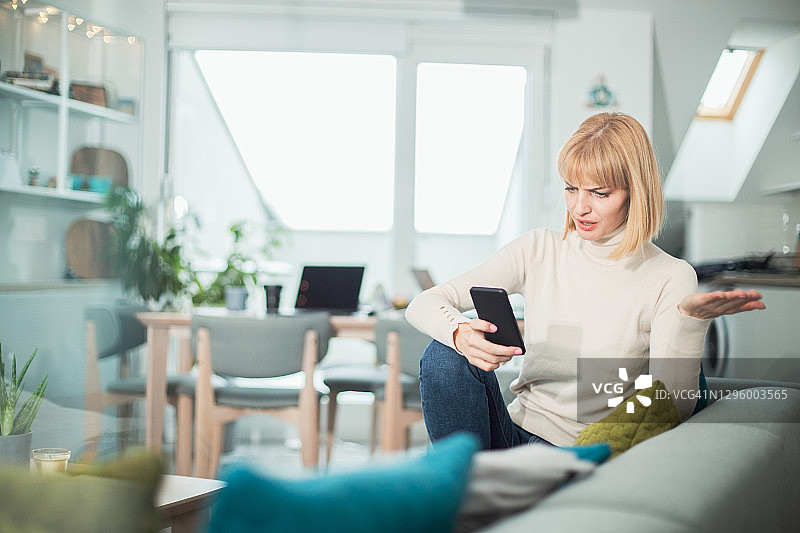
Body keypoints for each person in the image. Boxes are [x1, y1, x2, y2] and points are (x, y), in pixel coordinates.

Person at [405, 112, 765, 451]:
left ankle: (478, 500)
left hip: (583, 450)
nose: (579, 208)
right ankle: (463, 492)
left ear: (634, 193)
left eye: (600, 193)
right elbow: (423, 303)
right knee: (442, 355)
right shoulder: (539, 248)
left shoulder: (669, 276)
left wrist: (691, 323)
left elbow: (671, 405)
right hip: (514, 435)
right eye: (571, 189)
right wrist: (460, 333)